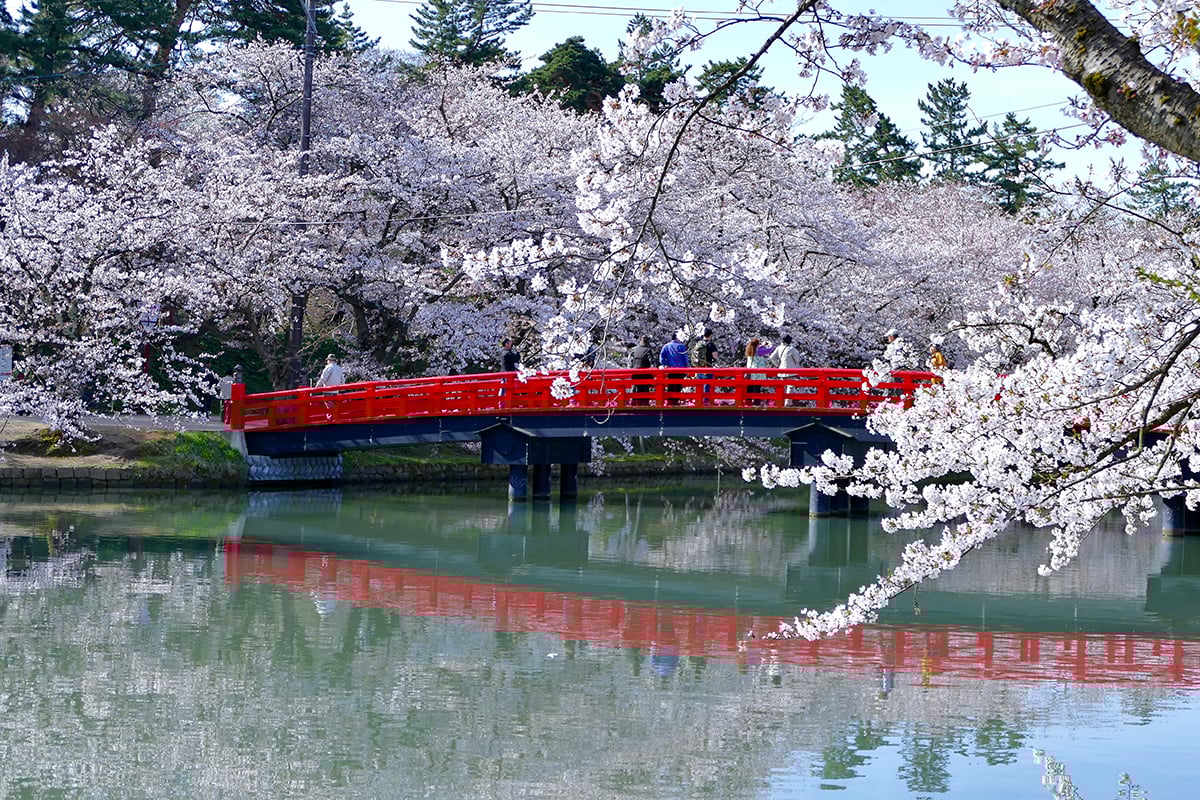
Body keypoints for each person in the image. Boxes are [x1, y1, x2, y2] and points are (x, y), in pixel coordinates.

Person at [770, 335, 803, 406]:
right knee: (790, 387)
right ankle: (787, 403)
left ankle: (780, 402)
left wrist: (778, 365)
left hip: (781, 370)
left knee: (782, 387)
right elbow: (797, 359)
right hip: (791, 371)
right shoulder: (791, 349)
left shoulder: (779, 348)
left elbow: (772, 357)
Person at [659, 332, 690, 406]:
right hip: (680, 370)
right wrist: (687, 368)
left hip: (671, 370)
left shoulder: (666, 346)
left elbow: (662, 357)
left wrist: (665, 364)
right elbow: (685, 359)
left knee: (671, 385)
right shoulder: (681, 346)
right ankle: (676, 402)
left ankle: (670, 401)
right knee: (678, 386)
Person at [627, 335, 654, 405]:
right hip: (645, 372)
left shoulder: (634, 350)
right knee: (644, 389)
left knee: (635, 388)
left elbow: (630, 362)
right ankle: (645, 403)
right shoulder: (648, 350)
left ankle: (633, 402)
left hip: (635, 372)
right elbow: (651, 361)